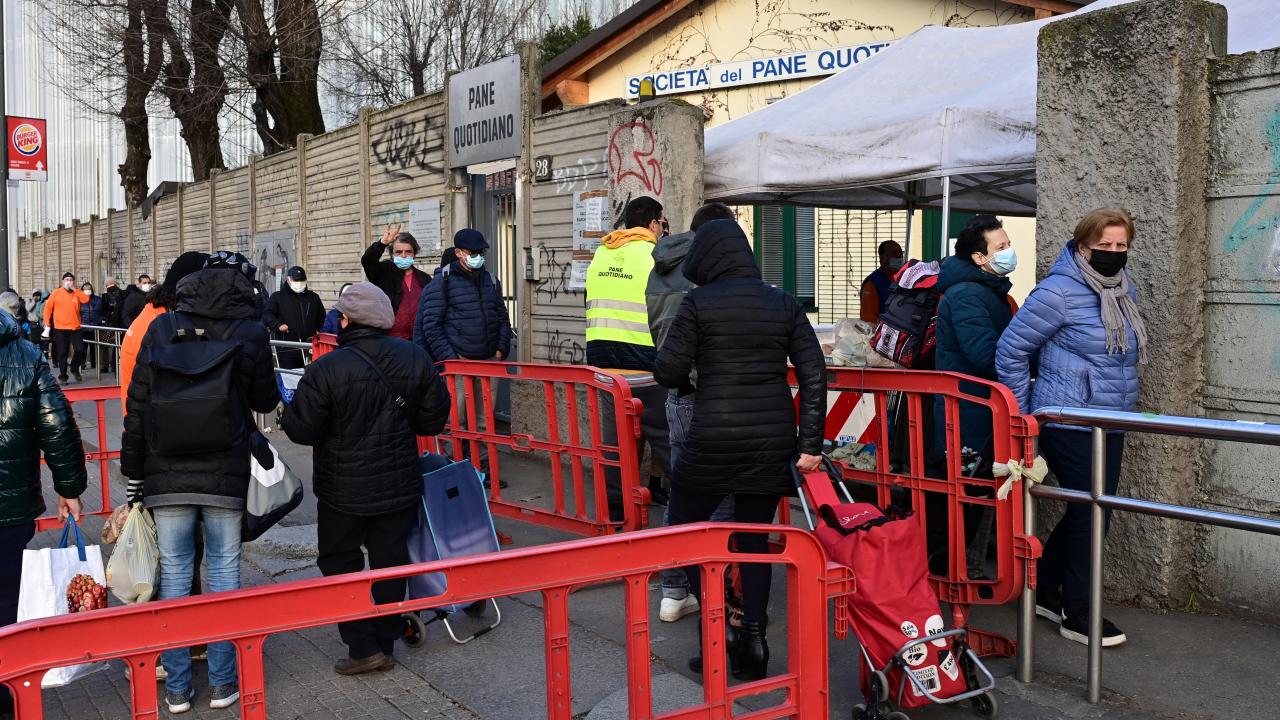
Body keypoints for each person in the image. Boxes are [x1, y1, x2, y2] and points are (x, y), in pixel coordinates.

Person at [654, 218, 826, 681]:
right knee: (754, 537)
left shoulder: (697, 303)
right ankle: (753, 639)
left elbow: (668, 371)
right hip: (771, 442)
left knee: (682, 530)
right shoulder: (782, 302)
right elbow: (813, 371)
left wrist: (695, 371)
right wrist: (810, 444)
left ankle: (720, 618)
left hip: (711, 437)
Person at [121, 250, 280, 714]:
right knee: (224, 575)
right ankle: (225, 684)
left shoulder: (161, 327)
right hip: (224, 471)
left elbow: (138, 408)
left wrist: (135, 474)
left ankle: (177, 690)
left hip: (166, 472)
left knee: (174, 575)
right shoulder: (249, 331)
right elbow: (266, 397)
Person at [283, 282, 451, 675]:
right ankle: (386, 640)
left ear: (346, 320)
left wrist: (287, 411)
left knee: (340, 564)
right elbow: (431, 419)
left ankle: (361, 646)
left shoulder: (327, 368)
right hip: (398, 483)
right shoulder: (415, 358)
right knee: (390, 561)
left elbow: (302, 430)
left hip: (343, 489)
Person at [997, 208, 1145, 648]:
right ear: (1082, 246)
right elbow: (1011, 350)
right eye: (1104, 247)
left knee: (1092, 511)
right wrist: (1024, 417)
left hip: (1110, 418)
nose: (1113, 255)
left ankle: (1045, 590)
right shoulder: (1058, 292)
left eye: (1121, 247)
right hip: (1068, 417)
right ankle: (1077, 610)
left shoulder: (1122, 289)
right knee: (1091, 513)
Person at [646, 202, 737, 623]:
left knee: (681, 496)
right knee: (720, 497)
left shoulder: (660, 266)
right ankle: (716, 589)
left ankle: (673, 590)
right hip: (712, 394)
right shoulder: (706, 273)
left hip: (677, 394)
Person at [0, 307, 87, 718]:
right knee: (8, 599)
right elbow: (57, 426)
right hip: (11, 507)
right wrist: (69, 489)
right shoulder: (27, 356)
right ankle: (8, 690)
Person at [930, 215, 1018, 579]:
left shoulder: (985, 290)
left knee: (972, 495)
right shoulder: (967, 294)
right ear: (980, 258)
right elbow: (984, 353)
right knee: (965, 496)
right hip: (968, 412)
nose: (1009, 252)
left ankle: (960, 569)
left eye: (1008, 244)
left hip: (974, 409)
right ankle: (952, 572)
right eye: (1001, 247)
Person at [585, 196, 673, 523]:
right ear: (654, 223)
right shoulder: (655, 254)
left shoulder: (601, 253)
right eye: (662, 224)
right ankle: (687, 511)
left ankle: (617, 512)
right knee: (667, 439)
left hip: (604, 368)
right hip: (645, 365)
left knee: (616, 443)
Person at [415, 230, 512, 478]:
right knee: (454, 422)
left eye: (481, 252)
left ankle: (482, 468)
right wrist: (452, 358)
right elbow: (431, 325)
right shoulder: (442, 283)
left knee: (483, 422)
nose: (478, 257)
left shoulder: (490, 280)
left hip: (489, 362)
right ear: (458, 253)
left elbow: (502, 316)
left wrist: (501, 350)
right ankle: (452, 471)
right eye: (473, 253)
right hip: (459, 364)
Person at [362, 223, 430, 341]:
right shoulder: (383, 272)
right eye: (398, 252)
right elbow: (367, 260)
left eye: (408, 252)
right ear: (392, 255)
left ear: (414, 254)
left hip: (418, 340)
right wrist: (382, 243)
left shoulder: (424, 278)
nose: (403, 256)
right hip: (389, 339)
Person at [264, 266, 326, 369]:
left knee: (310, 379)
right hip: (287, 350)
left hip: (309, 349)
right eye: (296, 280)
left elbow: (322, 318)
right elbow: (267, 315)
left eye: (302, 280)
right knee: (290, 380)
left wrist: (322, 336)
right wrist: (278, 325)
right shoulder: (277, 297)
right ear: (288, 280)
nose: (299, 283)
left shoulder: (313, 297)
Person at [43, 272, 90, 384]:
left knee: (80, 349)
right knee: (62, 353)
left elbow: (86, 300)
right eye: (66, 279)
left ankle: (74, 367)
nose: (69, 281)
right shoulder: (56, 293)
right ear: (62, 282)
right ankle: (63, 376)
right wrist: (47, 324)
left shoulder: (77, 293)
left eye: (71, 279)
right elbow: (48, 309)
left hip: (75, 328)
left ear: (74, 281)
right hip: (60, 329)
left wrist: (75, 289)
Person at [859, 240, 905, 323]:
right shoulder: (872, 284)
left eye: (900, 253)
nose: (899, 256)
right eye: (893, 253)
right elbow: (869, 321)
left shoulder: (905, 279)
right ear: (881, 258)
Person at [79, 282, 105, 372]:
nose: (87, 291)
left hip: (95, 326)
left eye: (89, 289)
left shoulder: (98, 300)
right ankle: (82, 363)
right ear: (82, 290)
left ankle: (94, 363)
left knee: (94, 347)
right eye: (85, 289)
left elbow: (102, 312)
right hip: (83, 327)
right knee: (83, 347)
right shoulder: (79, 300)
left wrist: (102, 320)